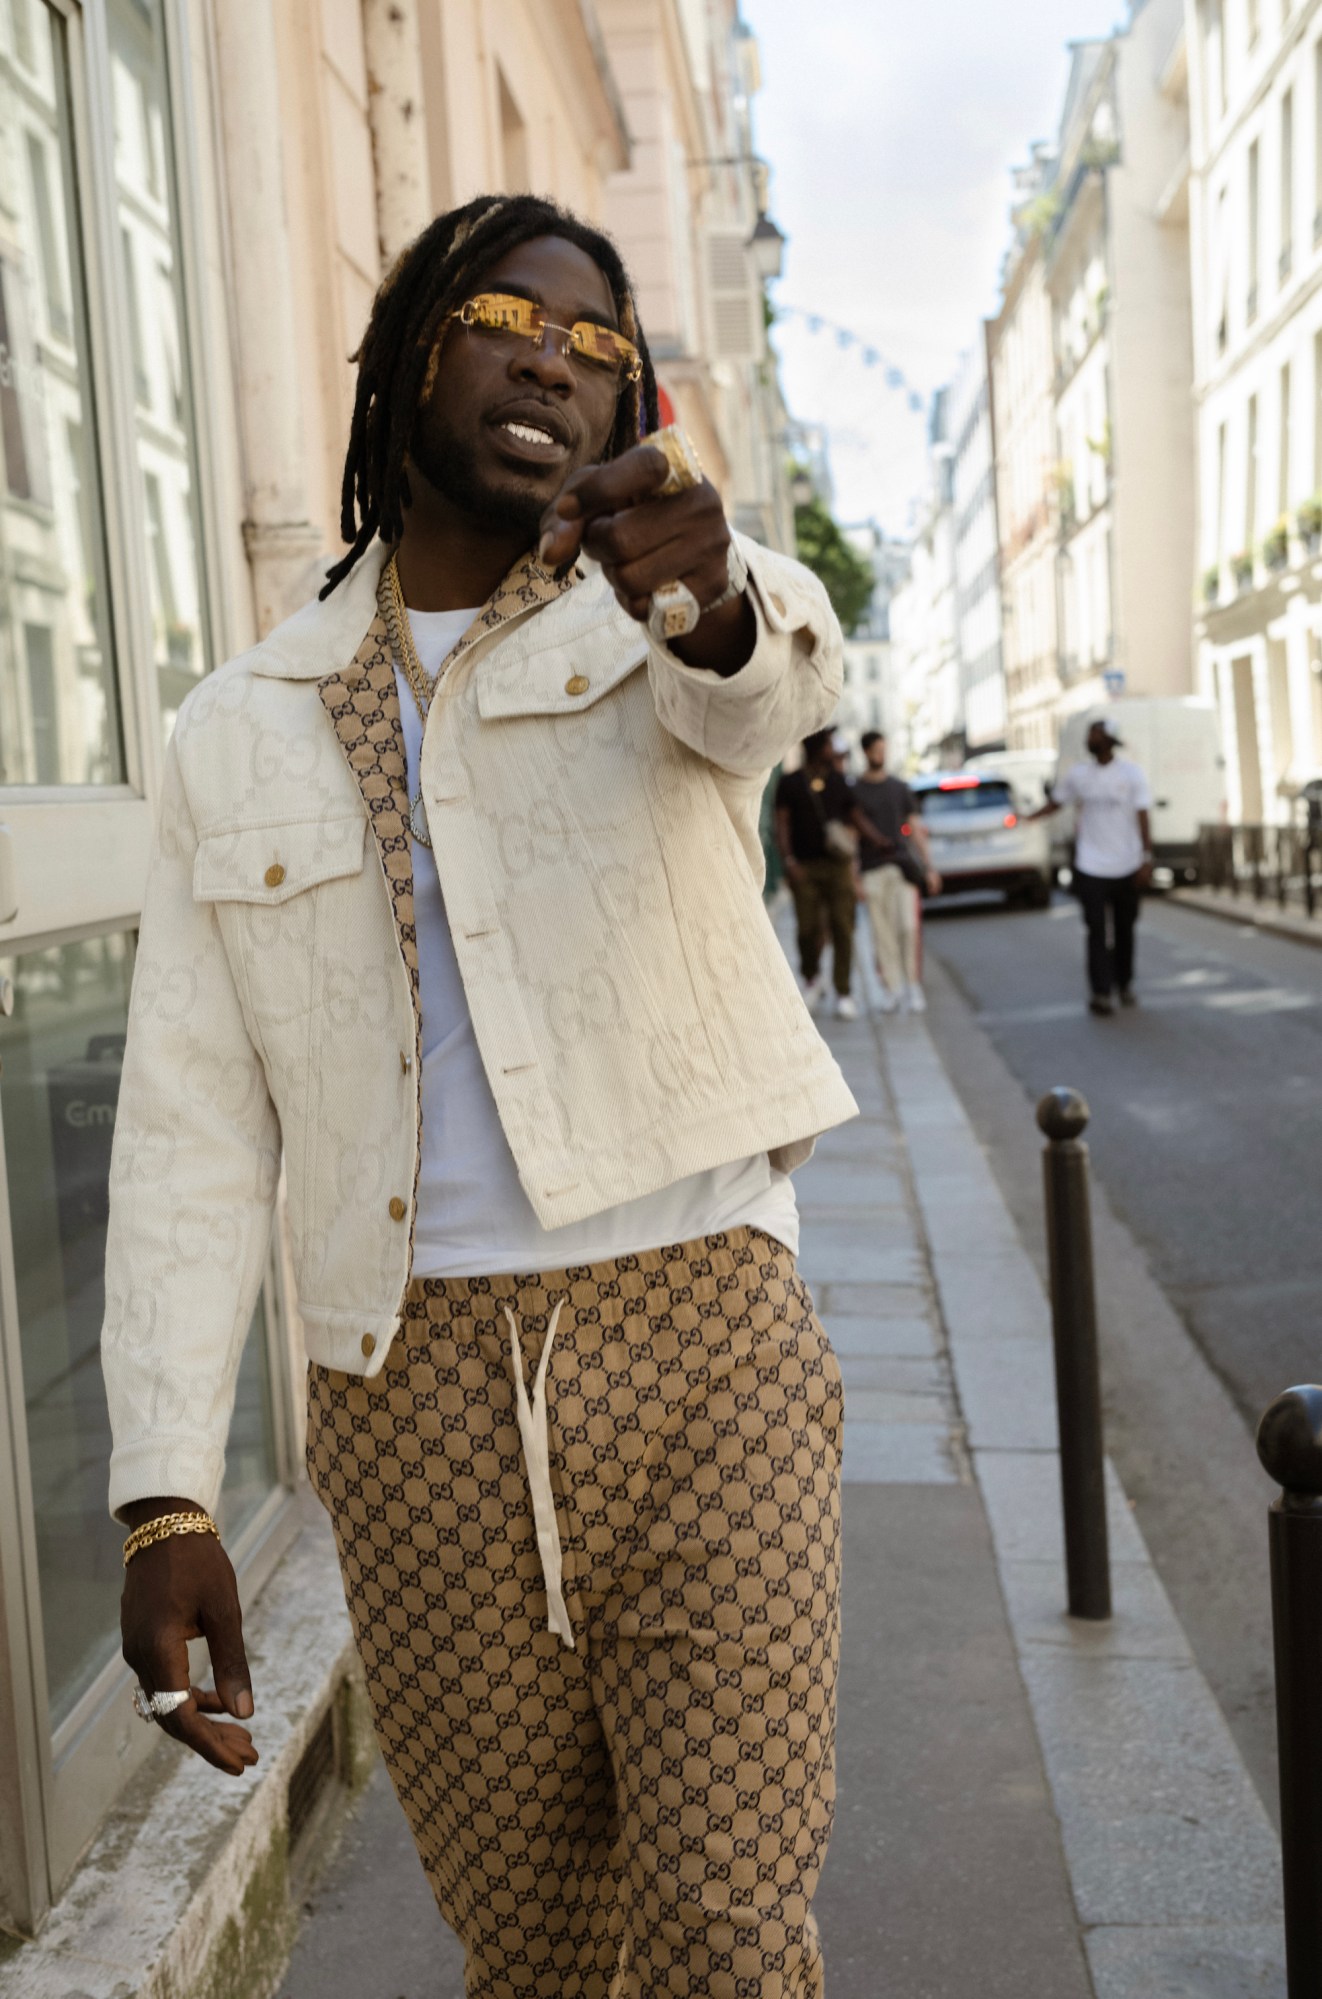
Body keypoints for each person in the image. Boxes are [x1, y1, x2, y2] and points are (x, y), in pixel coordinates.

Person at [101, 194, 858, 1996]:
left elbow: (769, 686)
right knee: (533, 1947)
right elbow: (194, 1123)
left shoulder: (651, 620)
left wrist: (702, 591)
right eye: (511, 318)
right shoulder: (242, 727)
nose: (554, 359)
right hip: (407, 1386)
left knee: (730, 1931)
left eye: (601, 348)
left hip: (704, 1340)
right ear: (405, 354)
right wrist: (164, 1491)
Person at [1031, 717, 1153, 1015]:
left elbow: (1143, 816)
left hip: (1127, 864)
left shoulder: (1131, 774)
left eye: (1095, 733)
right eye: (1089, 733)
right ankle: (1101, 992)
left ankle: (1123, 983)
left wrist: (1146, 858)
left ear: (1109, 739)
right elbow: (1056, 802)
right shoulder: (1078, 775)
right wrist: (1026, 819)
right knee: (1096, 930)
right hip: (1091, 865)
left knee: (1124, 930)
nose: (1090, 738)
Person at [851, 728, 940, 1014]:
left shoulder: (899, 787)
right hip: (871, 869)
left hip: (903, 868)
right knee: (882, 933)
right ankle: (892, 988)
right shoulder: (856, 792)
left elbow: (915, 829)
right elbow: (852, 836)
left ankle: (913, 985)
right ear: (865, 752)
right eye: (876, 750)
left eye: (884, 749)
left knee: (908, 927)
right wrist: (854, 876)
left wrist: (929, 867)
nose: (881, 755)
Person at [774, 727, 860, 1018]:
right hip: (804, 867)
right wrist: (788, 861)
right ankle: (812, 977)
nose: (833, 749)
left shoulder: (837, 781)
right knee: (807, 929)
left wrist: (872, 845)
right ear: (817, 747)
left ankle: (843, 991)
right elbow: (781, 823)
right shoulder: (790, 782)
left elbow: (854, 818)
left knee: (843, 926)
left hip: (837, 867)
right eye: (828, 744)